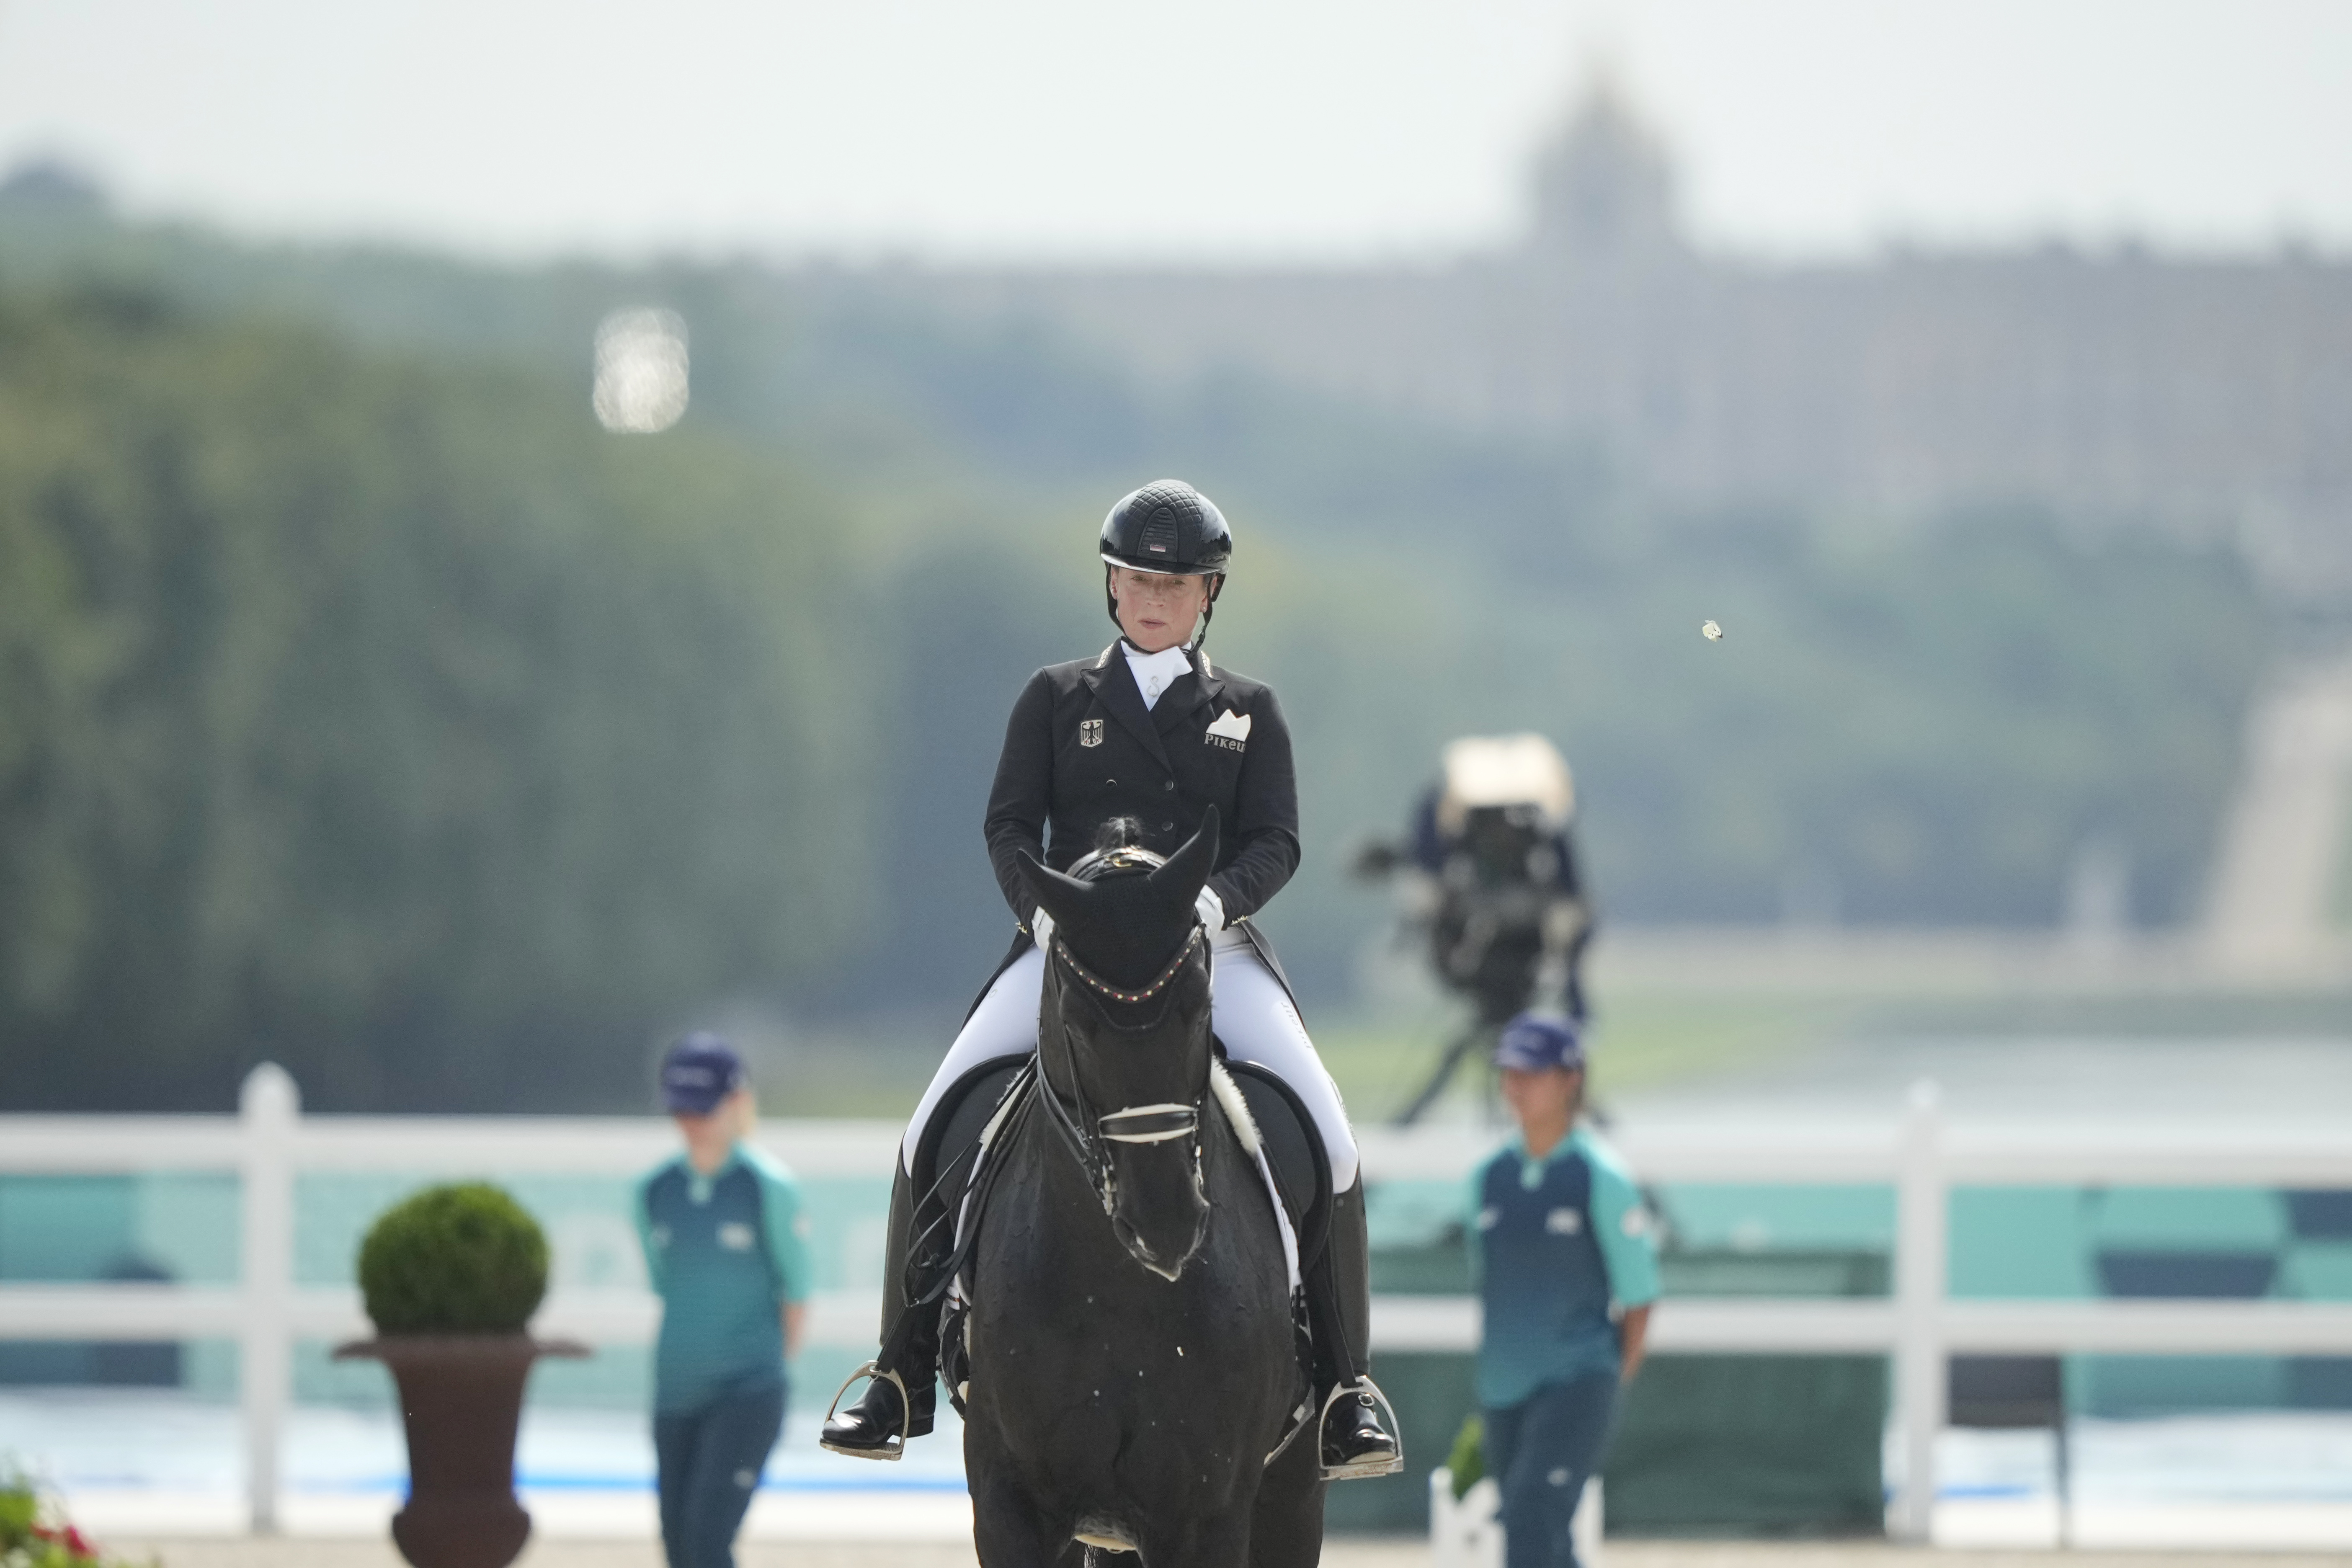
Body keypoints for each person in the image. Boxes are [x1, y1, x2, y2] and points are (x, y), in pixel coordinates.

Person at [821, 478, 1400, 1479]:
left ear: (1207, 592)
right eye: (1134, 577)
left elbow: (1279, 839)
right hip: (1072, 944)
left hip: (1208, 948)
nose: (1150, 597)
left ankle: (1347, 1384)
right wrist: (1043, 914)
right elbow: (1009, 825)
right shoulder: (1055, 697)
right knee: (932, 1116)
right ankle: (901, 1366)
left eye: (1172, 583)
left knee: (1328, 1129)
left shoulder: (1245, 710)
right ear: (1110, 584)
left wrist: (1213, 904)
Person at [1468, 1012, 1658, 1568]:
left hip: (1578, 1382)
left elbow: (1640, 1296)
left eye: (1532, 1072)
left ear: (1571, 1079)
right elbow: (1489, 1281)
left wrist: (1603, 1382)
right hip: (1503, 1388)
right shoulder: (1487, 1178)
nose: (1516, 1086)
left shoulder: (1603, 1177)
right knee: (1545, 1537)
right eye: (1510, 1072)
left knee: (1530, 1519)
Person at [637, 1034, 814, 1568]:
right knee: (677, 1544)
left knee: (708, 1541)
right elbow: (667, 1283)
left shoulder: (769, 1188)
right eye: (682, 1108)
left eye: (704, 1106)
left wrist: (759, 1371)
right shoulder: (653, 1191)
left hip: (747, 1390)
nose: (691, 1120)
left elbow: (797, 1293)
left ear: (736, 1103)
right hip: (674, 1392)